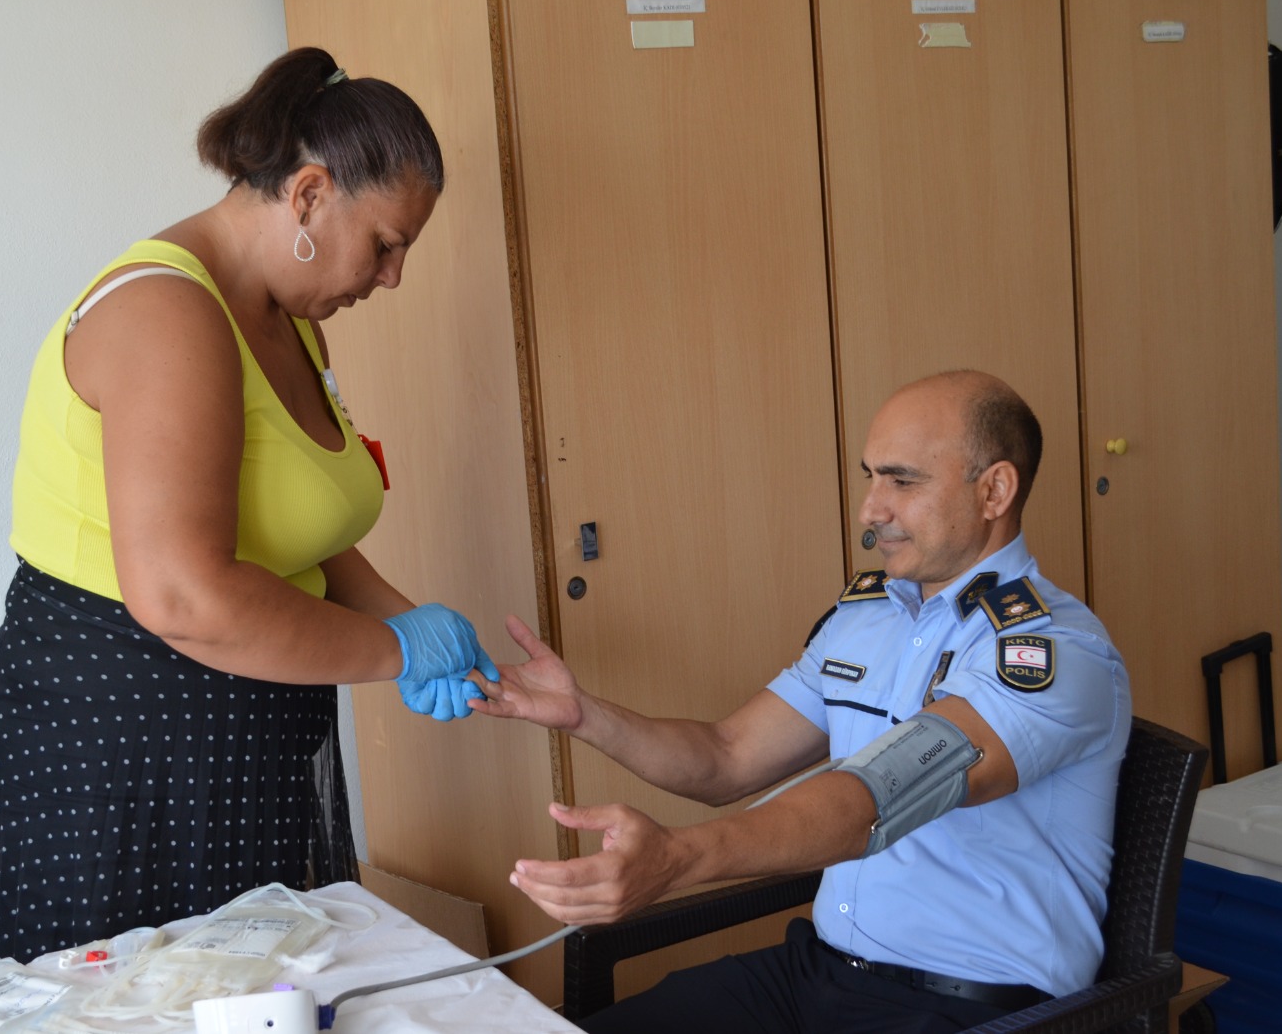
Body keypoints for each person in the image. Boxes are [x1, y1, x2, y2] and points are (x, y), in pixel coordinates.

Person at [0, 47, 497, 964]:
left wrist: (410, 621)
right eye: (386, 243)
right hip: (116, 763)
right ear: (310, 194)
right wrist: (394, 650)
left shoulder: (292, 320)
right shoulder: (165, 314)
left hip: (244, 750)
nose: (393, 276)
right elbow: (182, 595)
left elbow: (304, 532)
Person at [473, 370, 1131, 1033]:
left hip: (971, 1006)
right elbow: (727, 756)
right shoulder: (867, 620)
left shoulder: (1054, 651)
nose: (871, 510)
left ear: (994, 490)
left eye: (902, 481)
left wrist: (679, 857)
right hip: (820, 973)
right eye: (871, 477)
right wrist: (583, 713)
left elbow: (875, 797)